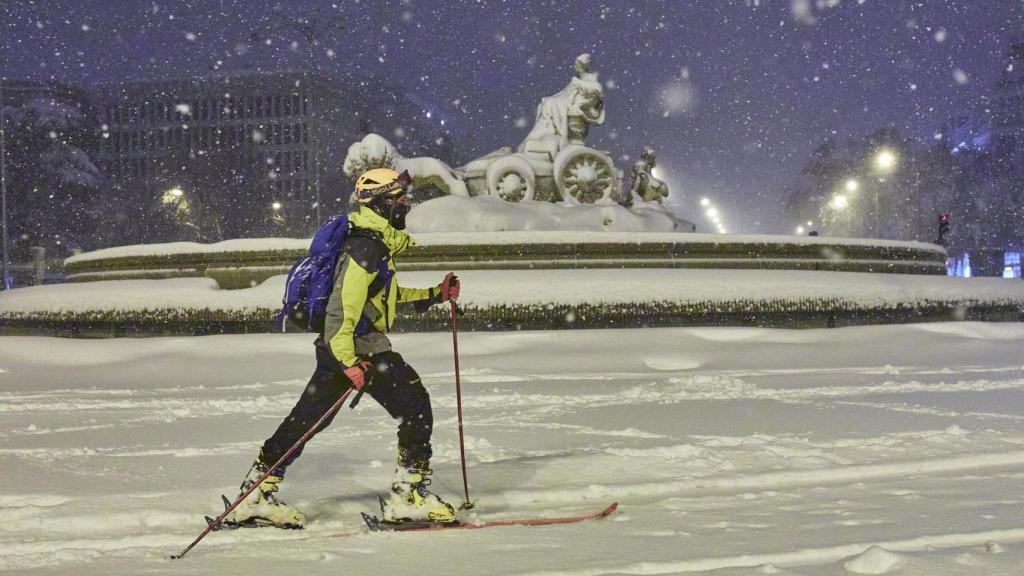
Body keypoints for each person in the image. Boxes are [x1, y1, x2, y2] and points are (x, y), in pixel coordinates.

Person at [225, 167, 461, 529]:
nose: (407, 204)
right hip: (360, 351)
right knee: (416, 408)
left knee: (305, 422)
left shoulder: (372, 242)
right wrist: (349, 362)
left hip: (345, 350)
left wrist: (435, 295)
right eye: (400, 198)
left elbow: (384, 300)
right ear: (382, 202)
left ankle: (255, 495)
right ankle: (408, 497)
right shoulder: (366, 247)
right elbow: (341, 311)